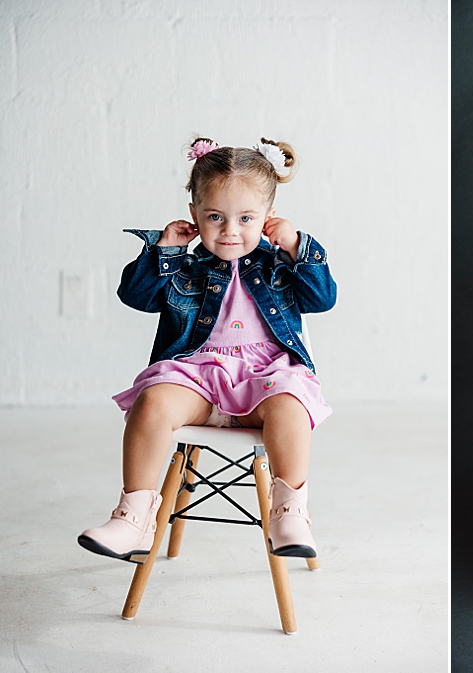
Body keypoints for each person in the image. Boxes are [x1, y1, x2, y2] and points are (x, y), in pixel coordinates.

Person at [78, 137, 337, 563]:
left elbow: (322, 298)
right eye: (215, 216)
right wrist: (164, 251)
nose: (230, 231)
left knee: (291, 403)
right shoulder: (185, 264)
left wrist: (296, 248)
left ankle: (289, 509)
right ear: (195, 214)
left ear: (268, 219)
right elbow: (135, 295)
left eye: (245, 218)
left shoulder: (279, 264)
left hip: (264, 379)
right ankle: (134, 516)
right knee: (153, 401)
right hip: (197, 376)